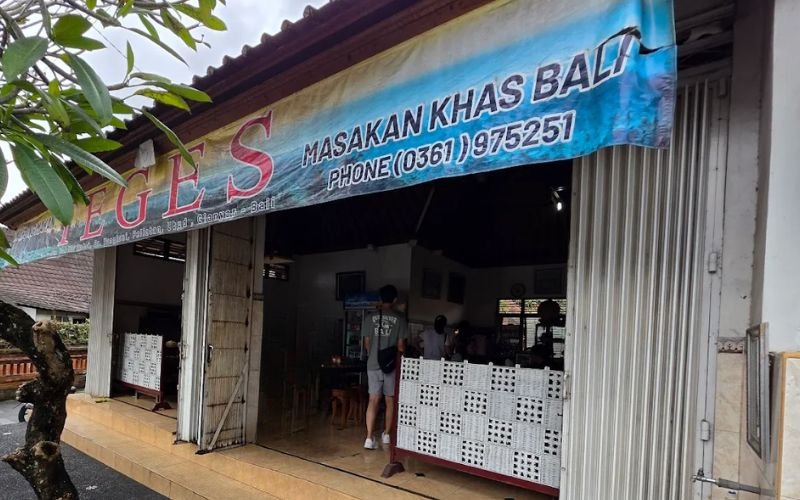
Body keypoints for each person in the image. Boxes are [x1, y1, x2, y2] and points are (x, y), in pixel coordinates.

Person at [362, 284, 407, 450]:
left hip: (373, 363)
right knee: (390, 400)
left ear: (380, 299)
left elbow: (367, 344)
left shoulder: (369, 318)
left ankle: (369, 438)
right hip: (390, 365)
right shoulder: (400, 319)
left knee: (373, 400)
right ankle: (387, 435)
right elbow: (401, 347)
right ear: (395, 300)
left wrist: (374, 355)